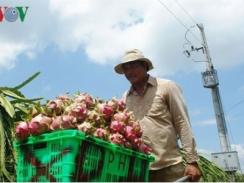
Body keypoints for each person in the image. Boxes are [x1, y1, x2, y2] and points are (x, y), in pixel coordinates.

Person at [114, 49, 202, 182]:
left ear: (145, 66)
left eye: (133, 66)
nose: (129, 72)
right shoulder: (125, 97)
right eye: (126, 68)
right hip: (140, 168)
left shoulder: (166, 87)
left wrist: (192, 161)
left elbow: (182, 122)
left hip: (169, 166)